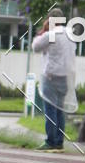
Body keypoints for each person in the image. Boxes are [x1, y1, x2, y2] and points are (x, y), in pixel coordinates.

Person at [32, 10, 77, 151]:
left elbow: (35, 47)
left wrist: (44, 30)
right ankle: (59, 142)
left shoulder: (50, 34)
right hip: (65, 78)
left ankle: (50, 141)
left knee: (50, 110)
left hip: (50, 77)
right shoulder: (70, 34)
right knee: (59, 111)